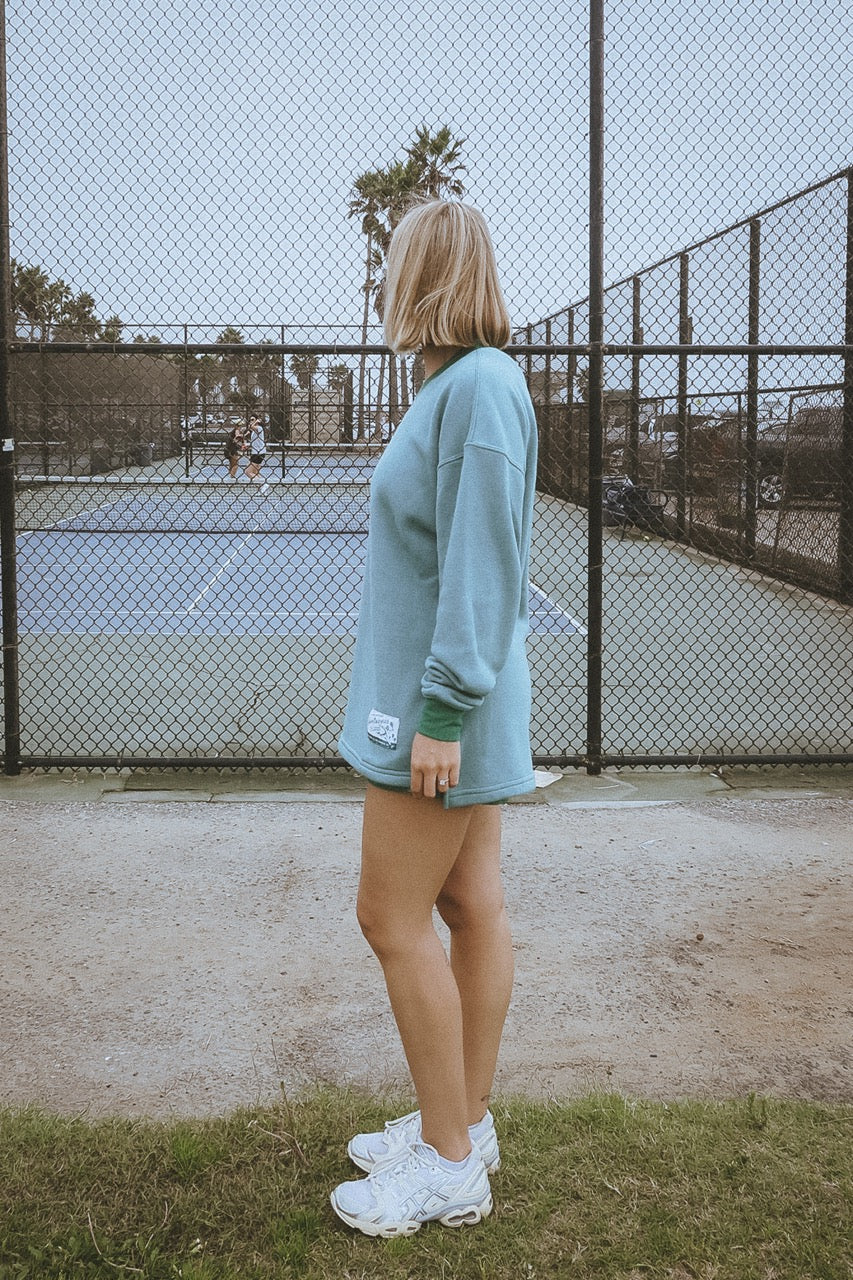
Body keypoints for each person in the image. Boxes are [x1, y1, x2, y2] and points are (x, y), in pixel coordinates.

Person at [331, 200, 538, 1238]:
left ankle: (450, 1163)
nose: (384, 287)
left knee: (388, 917)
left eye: (395, 267)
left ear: (428, 275)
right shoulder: (455, 386)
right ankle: (461, 1121)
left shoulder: (483, 388)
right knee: (467, 905)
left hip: (439, 713)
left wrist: (443, 710)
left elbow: (481, 566)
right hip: (441, 706)